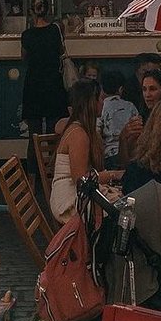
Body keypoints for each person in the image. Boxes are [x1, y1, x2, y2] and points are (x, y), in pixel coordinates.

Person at [50, 79, 121, 224]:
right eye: (100, 98)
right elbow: (82, 181)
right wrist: (114, 175)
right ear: (91, 102)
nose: (103, 102)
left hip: (73, 195)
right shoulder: (79, 134)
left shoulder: (81, 129)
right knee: (128, 209)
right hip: (70, 202)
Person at [20, 0, 67, 143]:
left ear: (31, 12)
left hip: (33, 85)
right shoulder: (55, 30)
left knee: (34, 134)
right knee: (55, 130)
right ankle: (53, 164)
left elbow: (24, 57)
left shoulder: (27, 35)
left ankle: (34, 165)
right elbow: (62, 50)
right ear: (48, 11)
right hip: (53, 83)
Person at [118, 68, 161, 165]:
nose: (147, 95)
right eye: (144, 89)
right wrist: (123, 138)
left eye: (152, 89)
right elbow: (126, 164)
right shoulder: (139, 121)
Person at [100, 70, 138, 170]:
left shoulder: (101, 107)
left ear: (102, 89)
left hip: (108, 155)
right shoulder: (130, 106)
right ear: (121, 89)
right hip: (129, 154)